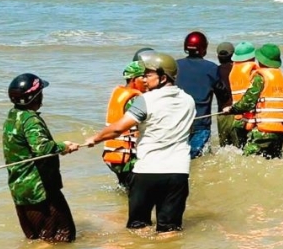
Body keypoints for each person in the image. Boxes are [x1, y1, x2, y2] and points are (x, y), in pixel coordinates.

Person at [83, 51, 196, 234]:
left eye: (149, 74)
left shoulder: (146, 100)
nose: (144, 79)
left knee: (139, 227)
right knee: (170, 230)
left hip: (148, 172)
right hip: (178, 173)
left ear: (163, 76)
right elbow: (189, 131)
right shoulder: (189, 101)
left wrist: (94, 138)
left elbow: (118, 128)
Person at [2, 73, 81, 243]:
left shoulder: (13, 116)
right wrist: (64, 146)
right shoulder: (30, 120)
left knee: (37, 239)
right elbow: (42, 149)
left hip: (20, 189)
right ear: (36, 97)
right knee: (62, 237)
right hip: (40, 190)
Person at [228, 43, 283, 158]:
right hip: (279, 132)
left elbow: (248, 102)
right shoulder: (282, 77)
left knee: (247, 159)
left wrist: (232, 109)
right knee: (274, 160)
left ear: (261, 60)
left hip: (263, 132)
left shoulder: (259, 78)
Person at [176, 30, 227, 158]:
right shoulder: (211, 68)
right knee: (198, 159)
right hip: (201, 122)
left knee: (178, 157)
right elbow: (222, 93)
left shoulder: (175, 66)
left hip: (177, 121)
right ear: (203, 48)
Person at [100, 62, 146, 187]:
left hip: (116, 154)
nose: (146, 81)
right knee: (135, 190)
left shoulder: (119, 93)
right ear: (133, 79)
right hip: (128, 156)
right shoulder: (134, 99)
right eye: (143, 77)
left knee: (125, 187)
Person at [223, 41, 258, 149]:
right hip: (251, 120)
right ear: (252, 57)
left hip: (238, 120)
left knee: (241, 149)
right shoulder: (253, 69)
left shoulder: (233, 71)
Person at [214, 40, 237, 146]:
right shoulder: (239, 71)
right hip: (238, 115)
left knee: (224, 149)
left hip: (222, 114)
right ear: (233, 55)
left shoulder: (214, 72)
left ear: (218, 56)